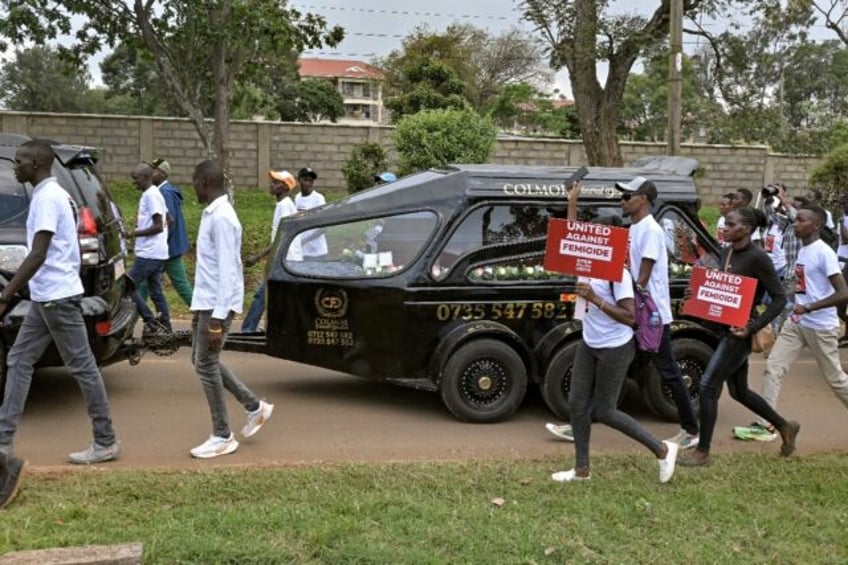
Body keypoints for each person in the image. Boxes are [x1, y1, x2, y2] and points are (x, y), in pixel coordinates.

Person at [0, 140, 121, 507]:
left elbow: (38, 251)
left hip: (56, 297)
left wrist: (7, 294)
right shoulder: (51, 194)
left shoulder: (47, 198)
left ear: (36, 162)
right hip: (47, 296)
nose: (16, 167)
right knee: (19, 361)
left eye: (19, 162)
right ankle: (3, 441)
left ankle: (105, 441)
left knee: (82, 366)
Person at [551, 181, 678, 483]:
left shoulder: (618, 274)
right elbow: (570, 236)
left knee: (606, 410)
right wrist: (572, 202)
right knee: (577, 405)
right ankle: (582, 470)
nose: (587, 243)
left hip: (616, 347)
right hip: (590, 342)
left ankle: (661, 450)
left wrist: (594, 299)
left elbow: (630, 317)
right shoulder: (586, 265)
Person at [679, 208, 800, 466]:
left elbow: (779, 299)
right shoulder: (727, 252)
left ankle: (703, 451)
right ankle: (785, 426)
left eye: (731, 224)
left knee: (708, 386)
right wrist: (696, 297)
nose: (725, 227)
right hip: (722, 329)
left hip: (738, 334)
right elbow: (720, 290)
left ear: (746, 228)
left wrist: (753, 326)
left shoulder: (758, 258)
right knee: (739, 391)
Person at [734, 205, 848, 445]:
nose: (795, 224)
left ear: (816, 225)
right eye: (795, 221)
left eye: (801, 221)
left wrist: (808, 307)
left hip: (820, 327)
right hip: (797, 324)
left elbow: (842, 292)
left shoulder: (823, 252)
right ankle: (765, 425)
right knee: (773, 368)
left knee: (836, 379)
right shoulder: (804, 251)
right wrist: (799, 306)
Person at [188, 159, 274, 459]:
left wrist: (218, 319)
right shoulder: (213, 213)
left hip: (216, 305)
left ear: (203, 183)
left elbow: (228, 271)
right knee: (200, 361)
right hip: (206, 301)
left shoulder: (223, 217)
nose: (192, 187)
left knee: (206, 364)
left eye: (194, 182)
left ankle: (222, 435)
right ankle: (253, 406)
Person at [615, 176, 700, 449]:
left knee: (669, 370)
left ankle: (691, 430)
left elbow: (643, 277)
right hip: (639, 311)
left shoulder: (650, 230)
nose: (622, 201)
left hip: (651, 314)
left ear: (643, 199)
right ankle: (585, 416)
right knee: (612, 362)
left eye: (627, 196)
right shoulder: (634, 228)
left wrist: (624, 301)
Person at [241, 169, 303, 333]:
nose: (272, 185)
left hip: (285, 258)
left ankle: (248, 329)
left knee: (263, 295)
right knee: (278, 296)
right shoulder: (284, 204)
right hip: (286, 257)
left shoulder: (284, 206)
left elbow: (280, 238)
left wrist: (257, 257)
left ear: (285, 187)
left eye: (276, 183)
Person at [137, 158, 193, 307]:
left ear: (162, 174)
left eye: (153, 170)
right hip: (166, 248)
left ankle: (203, 315)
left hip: (168, 249)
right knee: (145, 285)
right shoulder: (160, 191)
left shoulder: (165, 193)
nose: (150, 173)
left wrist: (159, 244)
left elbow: (168, 222)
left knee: (180, 285)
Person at [125, 163, 172, 335]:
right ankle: (165, 328)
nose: (133, 183)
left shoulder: (151, 196)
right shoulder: (154, 194)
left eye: (135, 179)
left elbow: (159, 226)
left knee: (126, 286)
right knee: (156, 292)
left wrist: (133, 233)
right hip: (157, 252)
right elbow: (170, 220)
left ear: (146, 177)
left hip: (149, 254)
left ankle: (150, 321)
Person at [294, 167, 328, 260]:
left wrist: (305, 240)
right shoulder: (297, 198)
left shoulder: (319, 199)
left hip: (317, 252)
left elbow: (324, 227)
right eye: (305, 180)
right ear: (299, 180)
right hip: (301, 251)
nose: (309, 183)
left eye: (311, 181)